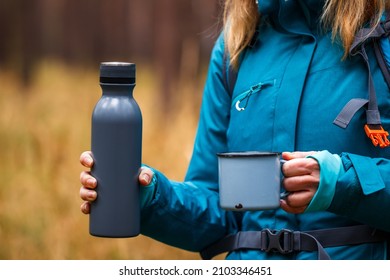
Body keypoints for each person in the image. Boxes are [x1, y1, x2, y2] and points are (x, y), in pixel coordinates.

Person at [80, 0, 390, 260]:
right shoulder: (237, 45)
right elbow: (220, 205)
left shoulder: (381, 36)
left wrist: (340, 182)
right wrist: (150, 196)